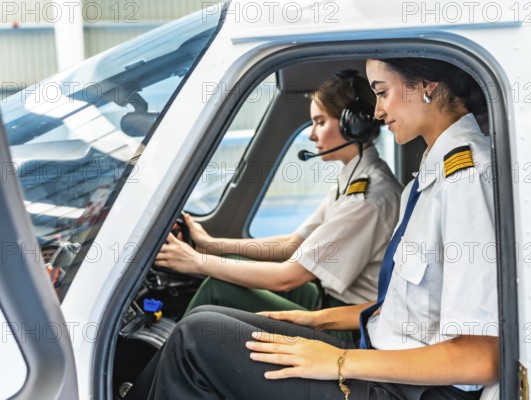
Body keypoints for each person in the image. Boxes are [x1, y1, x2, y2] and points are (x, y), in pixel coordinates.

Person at [144, 57, 499, 400]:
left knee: (194, 339)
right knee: (207, 318)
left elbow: (481, 357)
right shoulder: (429, 179)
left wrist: (338, 361)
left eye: (382, 92)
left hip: (410, 389)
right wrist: (316, 321)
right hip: (381, 360)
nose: (376, 112)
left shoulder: (465, 180)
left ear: (426, 86)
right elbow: (398, 309)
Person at [155, 71, 403, 334]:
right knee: (231, 259)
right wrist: (210, 246)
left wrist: (195, 261)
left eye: (320, 122)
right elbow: (292, 244)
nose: (311, 135)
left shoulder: (367, 198)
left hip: (351, 326)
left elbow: (288, 278)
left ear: (353, 124)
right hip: (331, 300)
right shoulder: (354, 177)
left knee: (219, 288)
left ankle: (164, 364)